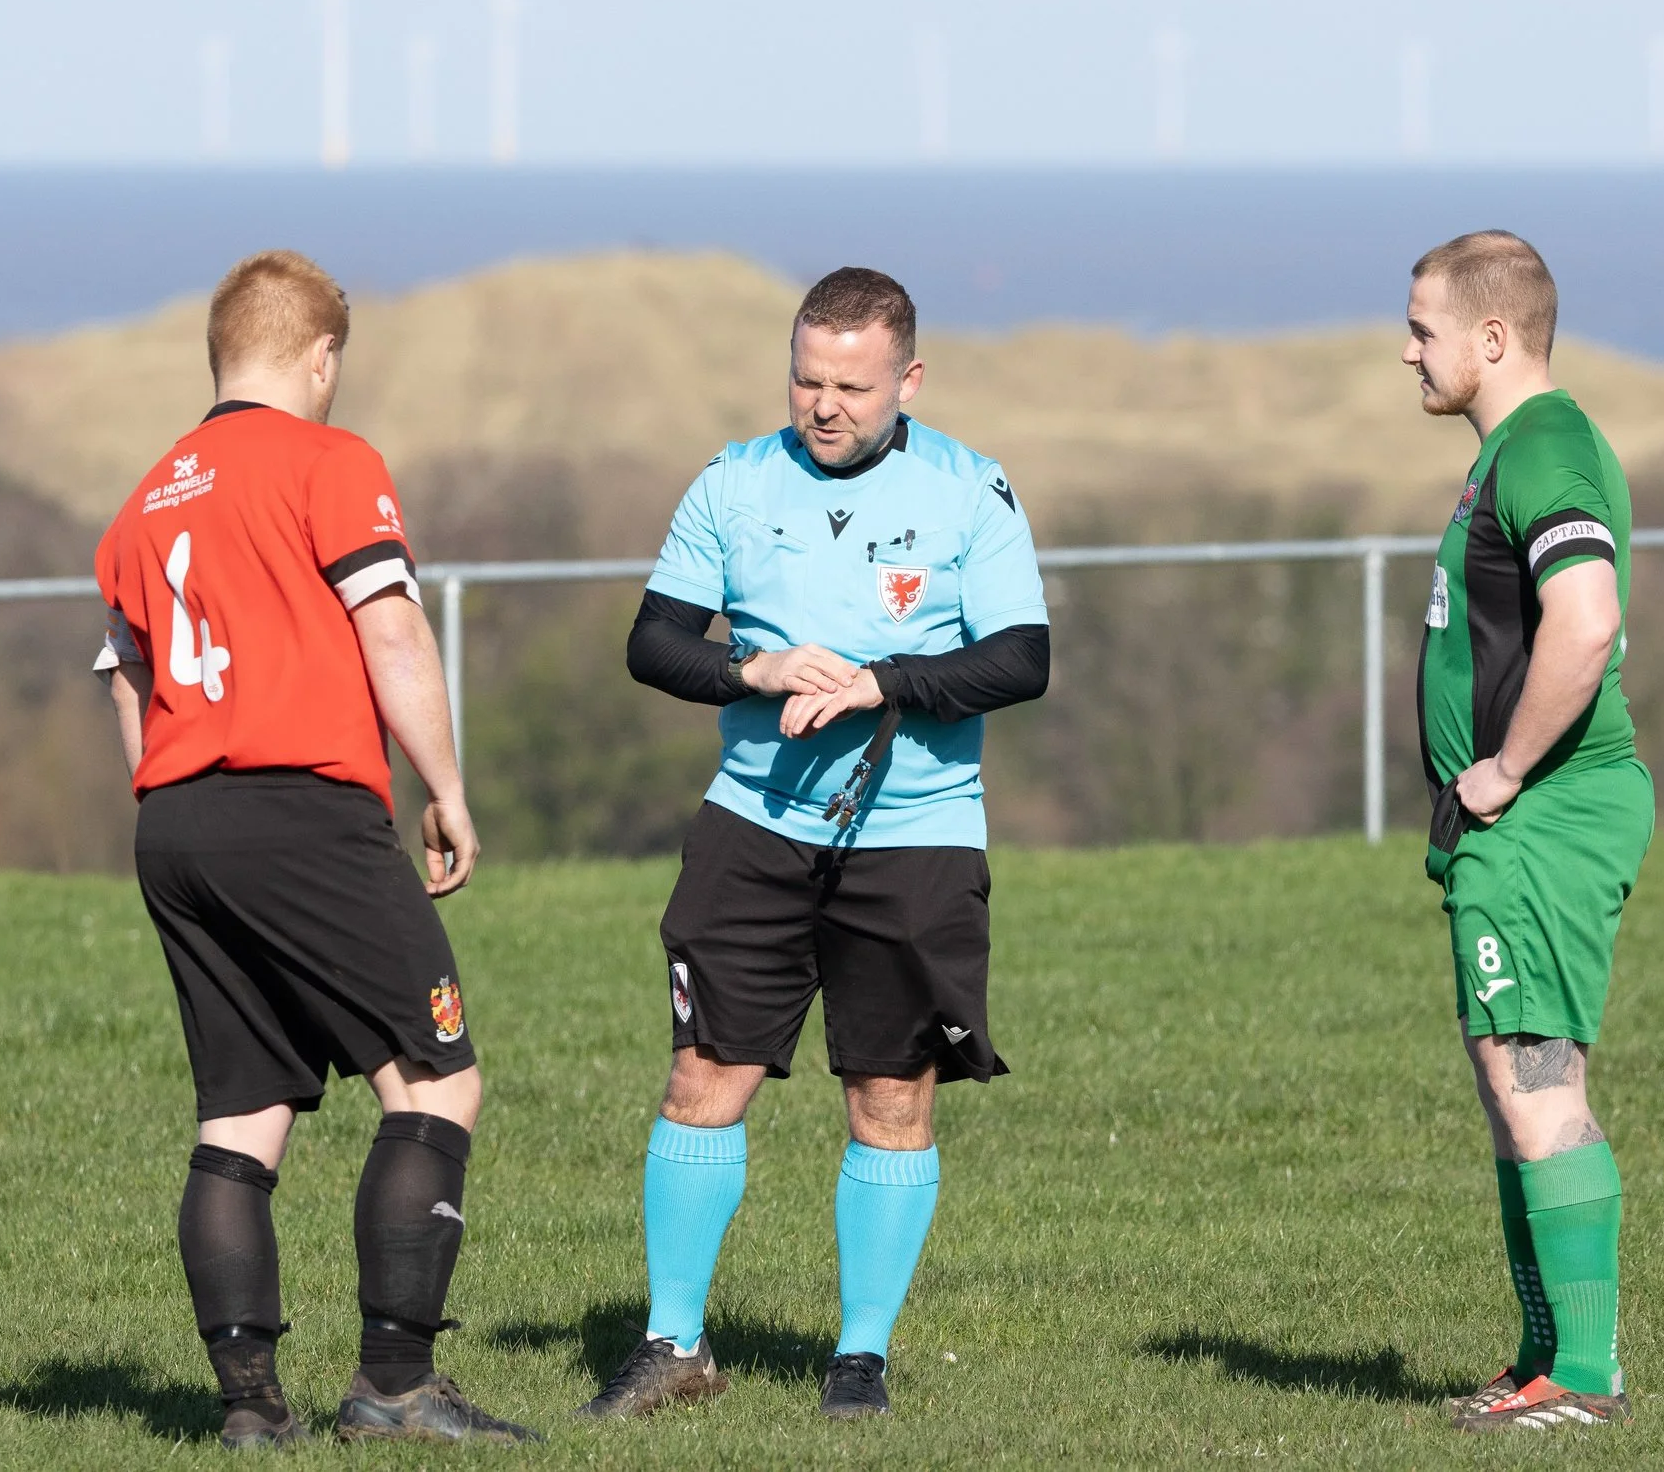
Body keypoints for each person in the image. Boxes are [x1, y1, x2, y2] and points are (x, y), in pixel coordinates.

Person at [579, 266, 1050, 1423]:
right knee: (702, 1076)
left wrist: (877, 684)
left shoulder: (969, 491)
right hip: (752, 828)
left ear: (908, 379)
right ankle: (672, 1344)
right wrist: (757, 668)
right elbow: (652, 644)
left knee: (890, 1095)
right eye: (805, 377)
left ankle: (858, 1363)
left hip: (915, 842)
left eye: (850, 383)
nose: (822, 403)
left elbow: (1020, 659)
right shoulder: (731, 484)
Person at [91, 250, 536, 1448]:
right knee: (435, 1076)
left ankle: (248, 1412)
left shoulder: (142, 506)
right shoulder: (331, 464)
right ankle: (393, 1384)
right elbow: (388, 629)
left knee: (243, 1110)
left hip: (175, 819)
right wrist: (443, 786)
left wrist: (179, 799)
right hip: (299, 805)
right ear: (320, 356)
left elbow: (129, 687)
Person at [1403, 231, 1653, 1433]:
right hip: (1518, 817)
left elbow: (1586, 616)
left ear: (1491, 337)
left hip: (1545, 809)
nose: (1406, 350)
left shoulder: (1545, 443)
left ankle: (1586, 1379)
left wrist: (1503, 767)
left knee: (1534, 1076)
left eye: (1422, 329)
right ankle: (1542, 1359)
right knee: (1510, 1076)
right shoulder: (1512, 448)